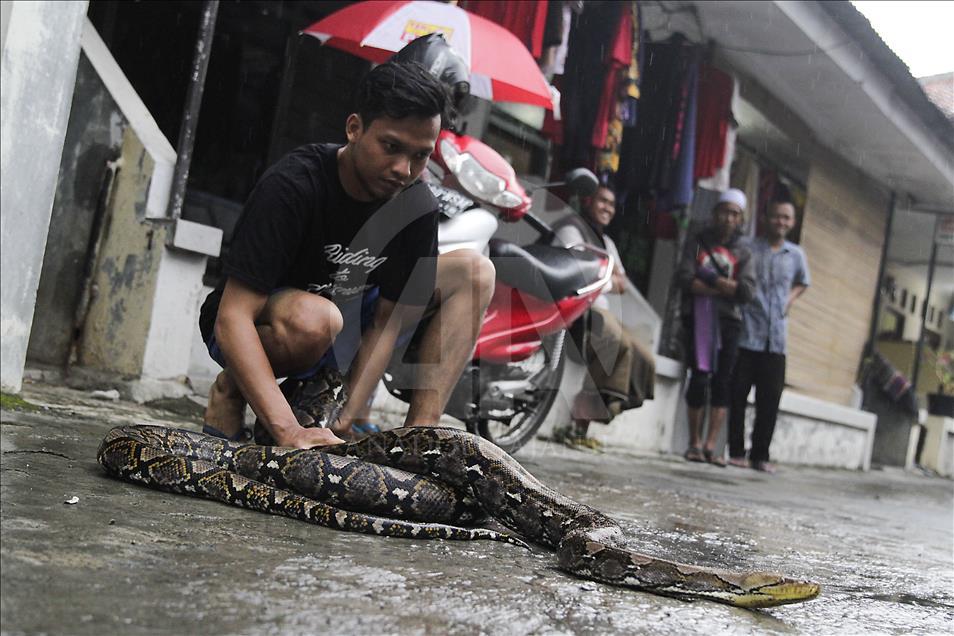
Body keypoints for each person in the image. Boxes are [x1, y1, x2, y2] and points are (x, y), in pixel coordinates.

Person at [198, 60, 495, 448]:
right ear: (354, 128)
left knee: (475, 273)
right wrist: (290, 430)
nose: (403, 169)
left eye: (420, 156)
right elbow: (233, 317)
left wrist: (345, 413)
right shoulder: (293, 185)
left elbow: (387, 323)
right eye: (391, 147)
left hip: (348, 319)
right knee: (317, 319)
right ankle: (232, 389)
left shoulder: (415, 204)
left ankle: (420, 441)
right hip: (263, 322)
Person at [552, 185, 656, 448]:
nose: (608, 208)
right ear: (588, 201)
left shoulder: (606, 242)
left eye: (612, 204)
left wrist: (601, 277)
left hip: (601, 307)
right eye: (602, 201)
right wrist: (606, 278)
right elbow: (570, 268)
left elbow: (623, 283)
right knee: (616, 342)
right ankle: (579, 424)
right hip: (576, 307)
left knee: (645, 358)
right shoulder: (571, 228)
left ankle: (597, 414)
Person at [727, 201, 810, 473]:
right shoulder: (749, 247)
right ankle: (737, 452)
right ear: (766, 218)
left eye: (786, 217)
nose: (781, 222)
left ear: (793, 222)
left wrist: (790, 298)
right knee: (737, 394)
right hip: (748, 333)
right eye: (776, 216)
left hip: (776, 340)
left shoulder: (795, 254)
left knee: (769, 401)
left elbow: (803, 282)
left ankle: (760, 455)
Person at [677, 188, 756, 466]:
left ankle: (711, 445)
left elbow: (747, 291)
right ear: (715, 213)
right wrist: (723, 287)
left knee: (723, 382)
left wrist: (709, 283)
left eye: (734, 214)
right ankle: (694, 443)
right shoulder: (698, 241)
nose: (728, 218)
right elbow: (685, 278)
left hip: (729, 323)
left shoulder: (745, 251)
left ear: (740, 218)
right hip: (698, 319)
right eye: (724, 211)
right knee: (699, 378)